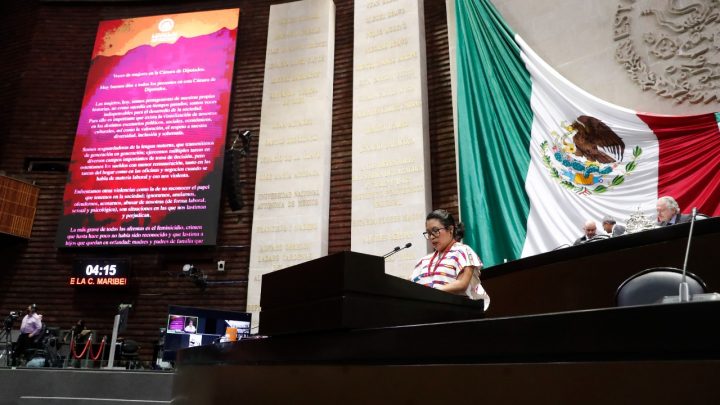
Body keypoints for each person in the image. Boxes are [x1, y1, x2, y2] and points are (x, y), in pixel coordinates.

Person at [410, 209, 489, 309]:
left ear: (451, 230)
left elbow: (462, 284)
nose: (431, 237)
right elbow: (410, 284)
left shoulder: (463, 251)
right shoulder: (424, 260)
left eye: (435, 231)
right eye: (428, 233)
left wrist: (430, 292)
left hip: (456, 311)